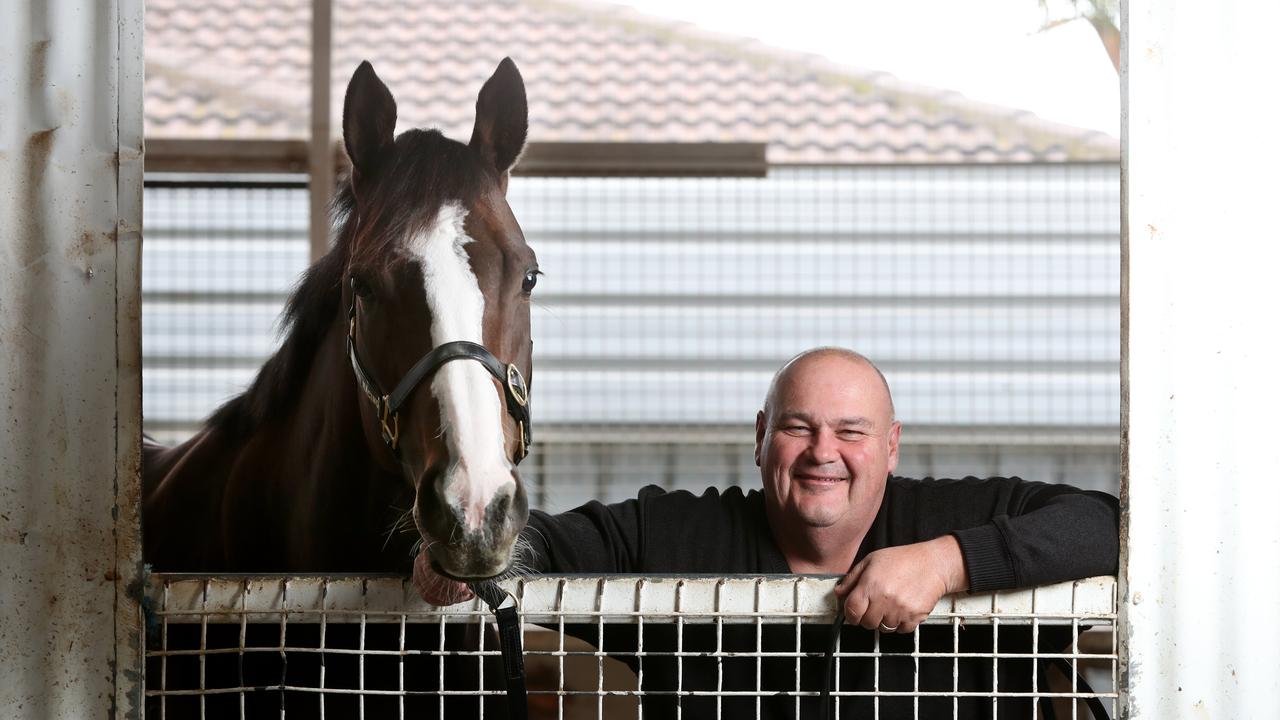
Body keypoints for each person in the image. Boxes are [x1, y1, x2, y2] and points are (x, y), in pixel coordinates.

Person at [414, 347, 1120, 718]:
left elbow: (1107, 522)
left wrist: (947, 563)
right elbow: (550, 541)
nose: (822, 453)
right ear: (760, 438)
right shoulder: (674, 533)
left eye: (851, 432)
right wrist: (461, 546)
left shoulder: (954, 518)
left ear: (893, 446)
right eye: (797, 427)